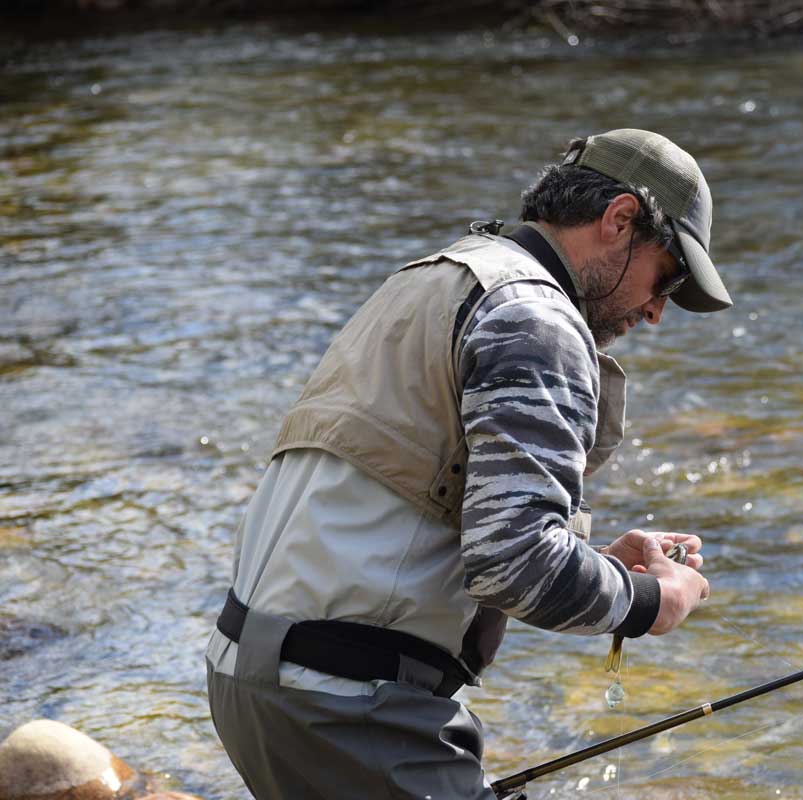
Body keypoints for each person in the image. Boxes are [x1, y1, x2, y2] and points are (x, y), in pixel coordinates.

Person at [205, 128, 732, 799]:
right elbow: (514, 564)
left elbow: (416, 516)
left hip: (251, 676)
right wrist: (655, 601)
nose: (657, 311)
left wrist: (591, 560)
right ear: (619, 220)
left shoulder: (438, 275)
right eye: (667, 276)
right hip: (346, 702)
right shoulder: (535, 318)